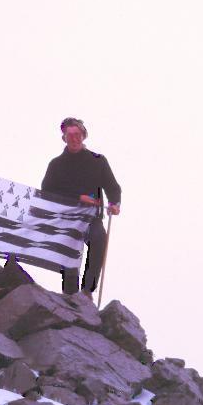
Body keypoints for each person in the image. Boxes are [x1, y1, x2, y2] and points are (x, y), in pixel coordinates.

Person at [41, 117, 121, 296]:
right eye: (70, 136)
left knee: (99, 239)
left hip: (91, 216)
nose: (74, 139)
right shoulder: (56, 164)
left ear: (84, 135)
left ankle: (87, 292)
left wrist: (114, 203)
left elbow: (113, 187)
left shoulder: (98, 161)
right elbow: (46, 191)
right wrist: (78, 197)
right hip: (65, 217)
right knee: (69, 251)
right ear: (64, 138)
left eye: (77, 135)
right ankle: (70, 294)